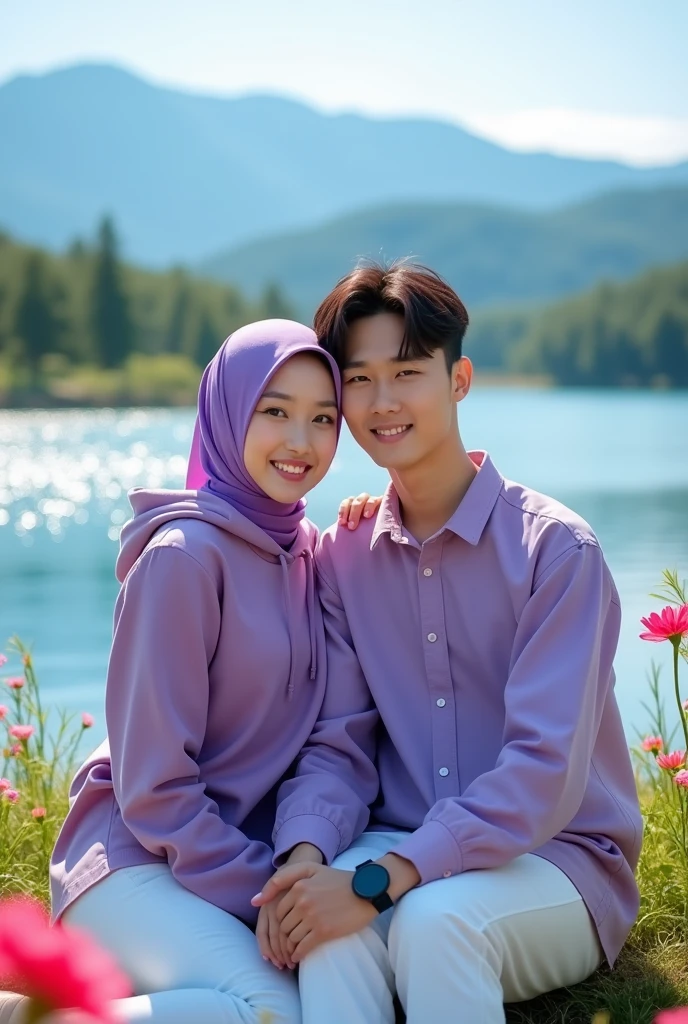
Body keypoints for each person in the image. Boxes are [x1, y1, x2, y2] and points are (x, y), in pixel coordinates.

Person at [252, 265, 643, 1024]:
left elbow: (541, 771)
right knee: (324, 938)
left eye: (407, 372)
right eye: (359, 380)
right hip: (401, 845)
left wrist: (386, 876)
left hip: (555, 862)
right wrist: (304, 861)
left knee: (437, 926)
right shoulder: (344, 556)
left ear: (458, 378)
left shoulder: (557, 552)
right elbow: (338, 745)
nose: (384, 402)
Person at [4, 320, 344, 1024]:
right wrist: (271, 892)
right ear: (225, 414)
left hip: (232, 868)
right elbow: (155, 789)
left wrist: (300, 868)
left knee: (337, 982)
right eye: (274, 411)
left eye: (323, 418)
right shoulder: (183, 559)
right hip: (133, 863)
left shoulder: (313, 553)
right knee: (271, 1010)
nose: (301, 442)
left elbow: (331, 739)